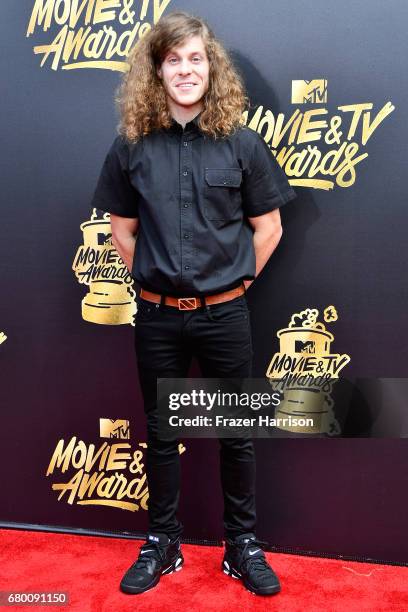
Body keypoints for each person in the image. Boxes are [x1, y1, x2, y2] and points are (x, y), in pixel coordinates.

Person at [90, 10, 297, 597]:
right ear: (157, 72)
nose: (186, 69)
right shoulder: (132, 146)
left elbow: (270, 227)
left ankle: (241, 547)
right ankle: (164, 543)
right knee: (160, 435)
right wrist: (160, 289)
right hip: (155, 318)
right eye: (173, 59)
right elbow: (122, 232)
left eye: (195, 59)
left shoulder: (241, 143)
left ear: (212, 69)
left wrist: (230, 287)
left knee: (235, 434)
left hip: (225, 316)